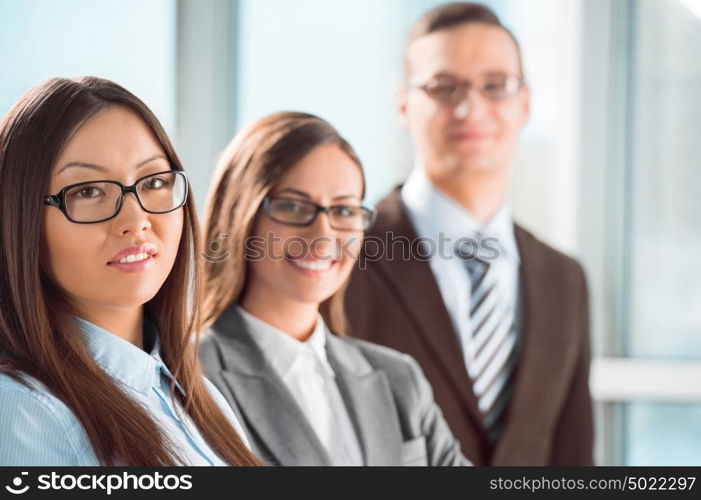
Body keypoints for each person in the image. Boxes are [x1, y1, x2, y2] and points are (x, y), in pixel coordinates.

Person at [342, 3, 594, 465]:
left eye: (495, 86)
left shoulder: (565, 280)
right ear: (403, 105)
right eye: (443, 87)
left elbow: (572, 460)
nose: (470, 107)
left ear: (526, 104)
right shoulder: (343, 255)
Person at [0, 77, 259, 466]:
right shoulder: (23, 411)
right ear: (19, 218)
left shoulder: (198, 399)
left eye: (154, 181)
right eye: (87, 191)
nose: (136, 219)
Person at [198, 111, 469, 466]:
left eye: (343, 211)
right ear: (241, 215)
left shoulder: (398, 379)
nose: (323, 236)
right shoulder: (192, 379)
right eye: (294, 206)